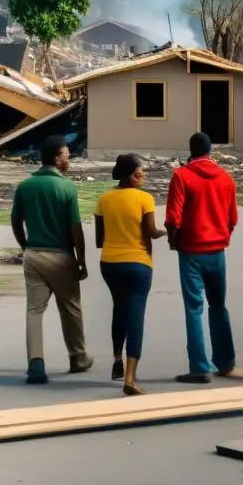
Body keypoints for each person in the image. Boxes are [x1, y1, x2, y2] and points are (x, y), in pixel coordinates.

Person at [11, 136, 93, 384]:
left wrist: (25, 246)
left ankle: (36, 363)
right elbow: (75, 228)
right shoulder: (66, 187)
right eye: (67, 155)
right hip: (61, 256)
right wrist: (81, 260)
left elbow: (16, 220)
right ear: (58, 159)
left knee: (34, 311)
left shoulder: (25, 186)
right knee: (70, 308)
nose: (69, 160)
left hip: (34, 256)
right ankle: (77, 357)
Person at [165, 132, 238, 383]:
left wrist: (174, 241)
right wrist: (222, 237)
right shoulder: (226, 178)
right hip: (217, 253)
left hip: (191, 253)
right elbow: (233, 219)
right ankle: (226, 363)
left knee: (194, 309)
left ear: (191, 150)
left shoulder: (181, 176)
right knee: (218, 306)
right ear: (210, 151)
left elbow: (173, 218)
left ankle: (199, 367)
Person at [94, 154, 165, 396]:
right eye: (138, 173)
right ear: (128, 175)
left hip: (110, 264)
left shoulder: (104, 199)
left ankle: (117, 360)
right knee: (135, 317)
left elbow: (98, 240)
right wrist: (167, 232)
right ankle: (130, 379)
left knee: (119, 309)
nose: (142, 176)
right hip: (138, 264)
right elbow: (152, 232)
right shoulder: (145, 198)